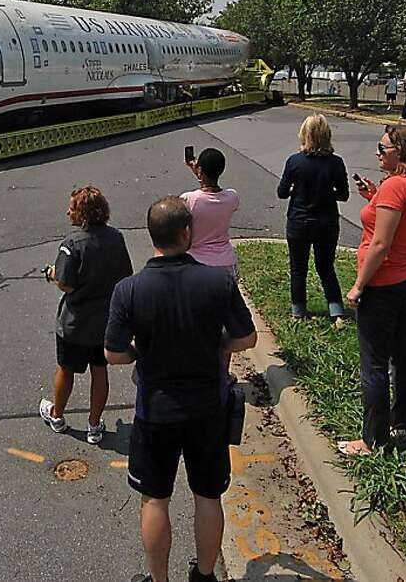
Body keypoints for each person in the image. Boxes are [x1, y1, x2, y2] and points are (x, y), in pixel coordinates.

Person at [105, 196, 257, 582]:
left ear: (152, 236)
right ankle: (205, 574)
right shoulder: (217, 282)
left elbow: (113, 353)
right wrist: (218, 344)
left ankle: (159, 580)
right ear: (186, 233)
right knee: (208, 496)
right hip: (207, 408)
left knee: (155, 497)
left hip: (155, 410)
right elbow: (247, 338)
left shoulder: (129, 290)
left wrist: (142, 350)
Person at [339, 125, 406, 456]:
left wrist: (358, 285)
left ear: (402, 153)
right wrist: (373, 197)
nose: (377, 154)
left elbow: (381, 244)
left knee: (374, 363)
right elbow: (400, 219)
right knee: (404, 352)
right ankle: (403, 420)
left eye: (383, 149)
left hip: (384, 284)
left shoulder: (395, 186)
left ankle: (373, 439)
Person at [39, 185, 134, 444]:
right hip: (104, 322)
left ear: (82, 215)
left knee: (66, 369)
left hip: (75, 323)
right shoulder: (116, 238)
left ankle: (57, 415)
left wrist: (52, 274)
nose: (67, 212)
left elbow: (66, 283)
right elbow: (125, 275)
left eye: (71, 208)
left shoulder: (71, 244)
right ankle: (94, 425)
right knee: (99, 371)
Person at [276, 114, 349, 319]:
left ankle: (298, 312)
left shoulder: (294, 161)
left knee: (298, 269)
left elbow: (282, 192)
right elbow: (343, 195)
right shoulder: (336, 163)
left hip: (299, 220)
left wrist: (296, 191)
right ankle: (336, 310)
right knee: (326, 267)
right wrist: (326, 193)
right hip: (327, 221)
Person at [181, 148, 240, 278]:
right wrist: (200, 173)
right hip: (227, 263)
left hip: (198, 264)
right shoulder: (232, 197)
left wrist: (198, 173)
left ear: (200, 170)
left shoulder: (188, 199)